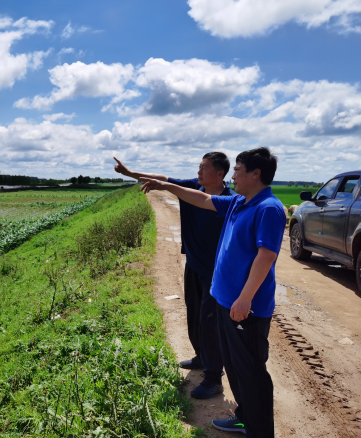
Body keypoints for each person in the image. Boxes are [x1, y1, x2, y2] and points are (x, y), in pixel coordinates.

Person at [140, 147, 287, 438]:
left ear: (255, 174)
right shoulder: (239, 202)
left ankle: (259, 431)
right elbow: (203, 199)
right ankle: (244, 418)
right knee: (233, 366)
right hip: (225, 300)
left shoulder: (268, 208)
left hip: (246, 308)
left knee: (251, 371)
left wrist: (245, 298)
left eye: (238, 170)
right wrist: (166, 186)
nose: (233, 176)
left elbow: (266, 256)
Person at [113, 152, 234, 399]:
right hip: (194, 264)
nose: (198, 171)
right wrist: (130, 173)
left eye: (203, 167)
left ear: (219, 173)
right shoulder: (193, 186)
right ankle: (201, 357)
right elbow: (162, 178)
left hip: (216, 272)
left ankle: (214, 378)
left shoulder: (229, 201)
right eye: (199, 166)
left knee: (210, 323)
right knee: (194, 314)